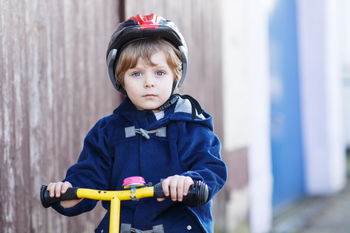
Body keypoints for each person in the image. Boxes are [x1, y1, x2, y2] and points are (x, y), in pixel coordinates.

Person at [46, 13, 227, 233]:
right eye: (136, 74)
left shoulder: (190, 125)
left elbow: (211, 168)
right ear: (120, 78)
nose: (149, 83)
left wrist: (189, 181)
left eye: (159, 73)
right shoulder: (107, 132)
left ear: (176, 76)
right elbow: (88, 178)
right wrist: (67, 192)